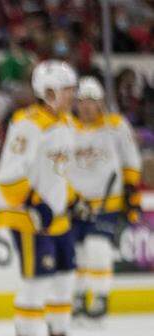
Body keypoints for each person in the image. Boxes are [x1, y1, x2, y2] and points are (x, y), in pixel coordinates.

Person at [0, 60, 90, 336]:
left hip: (55, 216)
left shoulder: (65, 124)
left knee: (65, 276)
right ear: (47, 92)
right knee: (38, 279)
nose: (72, 96)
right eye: (67, 91)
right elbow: (9, 175)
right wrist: (36, 204)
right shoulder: (28, 124)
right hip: (28, 217)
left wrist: (73, 200)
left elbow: (58, 173)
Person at [68, 76, 142, 321]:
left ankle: (100, 296)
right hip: (76, 202)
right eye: (82, 101)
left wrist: (131, 191)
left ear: (101, 103)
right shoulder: (68, 127)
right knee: (76, 251)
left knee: (97, 247)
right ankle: (77, 296)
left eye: (92, 101)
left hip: (107, 199)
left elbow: (131, 158)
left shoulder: (116, 125)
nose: (87, 106)